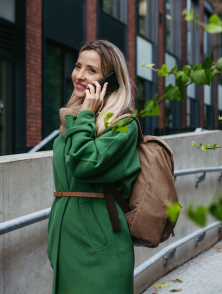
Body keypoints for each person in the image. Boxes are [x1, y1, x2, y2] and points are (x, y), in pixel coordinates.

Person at [47, 40, 141, 294]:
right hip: (67, 241)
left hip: (100, 246)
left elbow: (82, 165)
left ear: (109, 79)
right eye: (78, 66)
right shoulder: (74, 120)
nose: (80, 75)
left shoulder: (123, 124)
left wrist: (86, 114)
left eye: (92, 71)